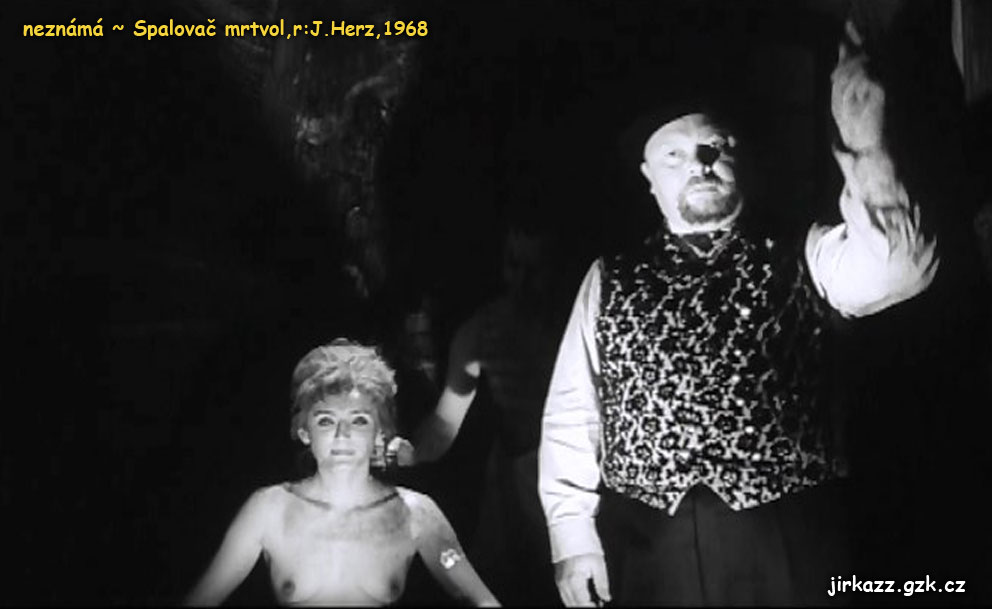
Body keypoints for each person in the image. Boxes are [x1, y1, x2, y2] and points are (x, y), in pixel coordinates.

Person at [538, 23, 939, 607]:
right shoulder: (609, 277)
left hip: (791, 541)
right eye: (674, 155)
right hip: (653, 545)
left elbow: (900, 268)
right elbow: (572, 412)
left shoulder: (807, 253)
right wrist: (572, 539)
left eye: (716, 146)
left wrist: (865, 140)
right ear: (649, 178)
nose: (699, 164)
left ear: (741, 157)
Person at [185, 339, 499, 607]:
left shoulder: (417, 514)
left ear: (379, 431)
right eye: (326, 421)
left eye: (359, 420)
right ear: (304, 431)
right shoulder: (268, 509)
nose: (342, 435)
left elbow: (481, 599)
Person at [407, 223, 565, 606]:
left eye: (534, 269)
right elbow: (444, 426)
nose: (521, 282)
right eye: (513, 265)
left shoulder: (576, 322)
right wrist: (397, 451)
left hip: (570, 480)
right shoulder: (481, 332)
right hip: (514, 485)